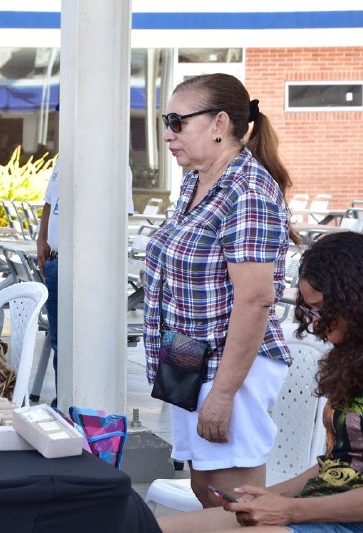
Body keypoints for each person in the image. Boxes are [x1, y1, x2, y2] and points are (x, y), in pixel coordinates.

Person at [144, 73, 295, 506]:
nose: (169, 134)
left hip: (230, 366)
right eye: (165, 121)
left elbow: (255, 298)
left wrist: (224, 393)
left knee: (235, 505)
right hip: (188, 355)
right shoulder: (196, 180)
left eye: (178, 121)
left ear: (219, 124)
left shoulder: (246, 189)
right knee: (204, 489)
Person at [158, 231, 363, 532]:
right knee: (150, 527)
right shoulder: (350, 357)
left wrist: (291, 510)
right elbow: (337, 464)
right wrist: (273, 496)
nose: (314, 320)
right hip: (319, 508)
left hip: (342, 520)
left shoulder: (251, 192)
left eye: (320, 309)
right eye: (308, 309)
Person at [36, 158, 133, 409]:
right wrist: (42, 239)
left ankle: (89, 409)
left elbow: (120, 215)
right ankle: (64, 404)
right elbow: (49, 201)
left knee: (88, 340)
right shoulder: (61, 158)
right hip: (56, 263)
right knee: (60, 341)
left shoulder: (108, 154)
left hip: (90, 267)